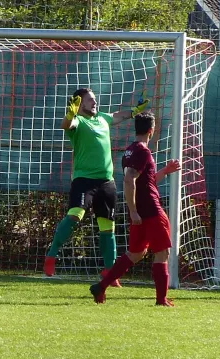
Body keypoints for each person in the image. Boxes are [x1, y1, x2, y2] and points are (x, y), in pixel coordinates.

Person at [44, 88, 150, 287]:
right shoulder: (78, 121)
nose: (95, 103)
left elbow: (120, 116)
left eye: (95, 99)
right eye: (90, 100)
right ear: (80, 104)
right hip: (84, 181)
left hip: (106, 182)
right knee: (75, 216)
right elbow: (65, 125)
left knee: (107, 227)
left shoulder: (102, 118)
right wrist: (70, 113)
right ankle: (51, 255)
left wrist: (136, 111)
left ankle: (110, 273)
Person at [89, 111, 180, 306]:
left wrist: (165, 170)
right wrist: (133, 210)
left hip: (140, 211)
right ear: (151, 130)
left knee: (136, 254)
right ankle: (161, 300)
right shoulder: (143, 151)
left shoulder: (129, 150)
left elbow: (146, 181)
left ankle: (102, 286)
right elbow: (129, 179)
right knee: (162, 252)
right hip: (150, 210)